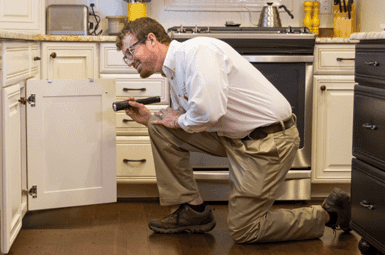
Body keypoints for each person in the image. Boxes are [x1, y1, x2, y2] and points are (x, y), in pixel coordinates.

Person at [115, 17, 351, 243]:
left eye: (129, 52)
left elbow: (207, 113)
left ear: (151, 39)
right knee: (159, 126)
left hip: (267, 141)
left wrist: (177, 120)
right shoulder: (174, 70)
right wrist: (150, 118)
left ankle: (330, 214)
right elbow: (188, 117)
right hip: (234, 137)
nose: (128, 61)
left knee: (245, 229)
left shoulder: (198, 51)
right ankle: (193, 210)